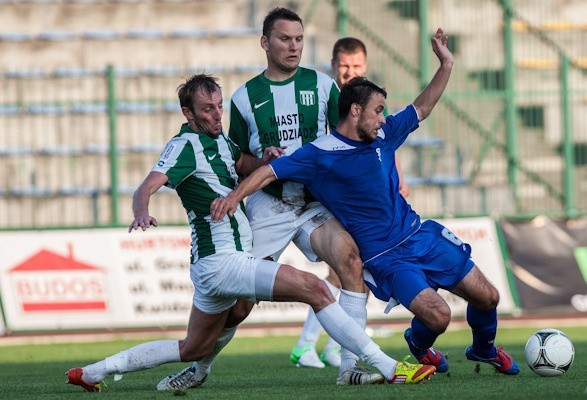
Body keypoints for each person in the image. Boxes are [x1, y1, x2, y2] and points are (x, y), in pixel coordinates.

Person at [65, 73, 436, 393]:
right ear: (187, 113)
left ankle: (91, 372)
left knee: (193, 346)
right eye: (206, 109)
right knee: (317, 288)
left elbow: (247, 164)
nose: (216, 115)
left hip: (213, 268)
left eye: (218, 106)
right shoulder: (184, 145)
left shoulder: (221, 142)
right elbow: (146, 186)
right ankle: (389, 368)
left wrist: (268, 158)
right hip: (223, 260)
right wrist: (142, 211)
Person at [209, 28, 521, 377]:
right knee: (438, 316)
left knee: (489, 297)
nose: (384, 117)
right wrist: (234, 197)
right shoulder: (320, 155)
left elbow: (422, 107)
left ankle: (483, 348)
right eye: (377, 110)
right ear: (355, 110)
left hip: (421, 235)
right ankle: (416, 345)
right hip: (386, 257)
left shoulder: (384, 133)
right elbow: (267, 172)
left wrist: (445, 64)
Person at [157, 7, 383, 386]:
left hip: (313, 204)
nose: (293, 46)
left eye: (298, 39)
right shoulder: (245, 98)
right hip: (268, 204)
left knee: (351, 263)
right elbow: (238, 160)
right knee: (241, 303)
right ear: (265, 42)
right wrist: (264, 159)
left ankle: (350, 367)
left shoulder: (324, 86)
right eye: (284, 39)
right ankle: (199, 368)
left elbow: (346, 136)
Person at [291, 36, 413, 368]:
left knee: (351, 269)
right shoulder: (333, 100)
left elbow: (379, 142)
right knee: (349, 268)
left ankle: (329, 345)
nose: (350, 72)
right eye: (344, 66)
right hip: (336, 195)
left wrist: (396, 179)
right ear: (333, 66)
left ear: (365, 66)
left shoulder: (366, 102)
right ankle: (314, 345)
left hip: (358, 194)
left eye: (356, 66)